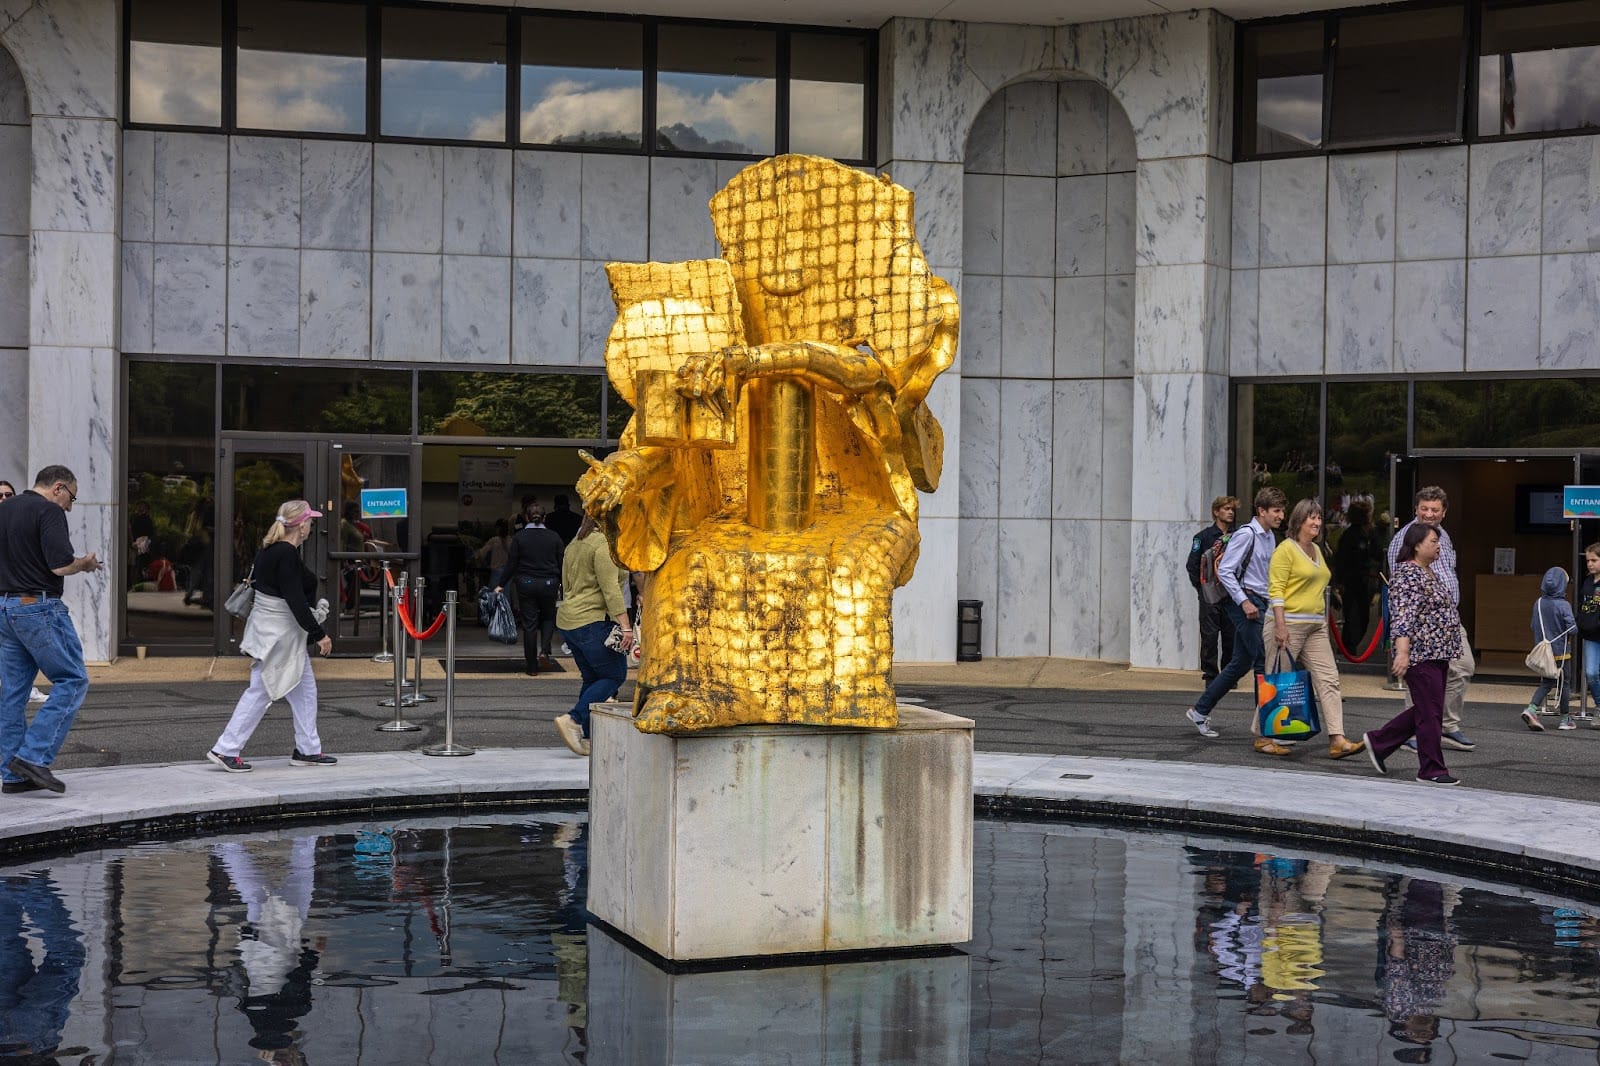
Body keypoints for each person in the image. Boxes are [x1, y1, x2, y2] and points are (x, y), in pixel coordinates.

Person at [207, 500, 337, 773]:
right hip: (280, 636)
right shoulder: (286, 554)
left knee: (304, 691)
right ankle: (226, 748)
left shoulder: (268, 551)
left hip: (273, 633)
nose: (311, 527)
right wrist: (319, 633)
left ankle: (308, 749)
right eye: (310, 522)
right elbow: (294, 600)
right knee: (261, 691)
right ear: (301, 525)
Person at [0, 465, 101, 796]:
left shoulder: (6, 508)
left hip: (5, 609)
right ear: (58, 487)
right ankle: (32, 758)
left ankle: (12, 775)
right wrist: (84, 563)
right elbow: (60, 565)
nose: (70, 506)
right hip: (38, 607)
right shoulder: (48, 511)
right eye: (71, 497)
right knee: (72, 680)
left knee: (13, 693)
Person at [1183, 486, 1286, 742]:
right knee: (1262, 661)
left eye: (1283, 511)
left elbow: (1266, 576)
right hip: (1246, 603)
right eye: (1276, 511)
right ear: (1261, 511)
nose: (1281, 515)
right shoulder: (1246, 534)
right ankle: (1266, 728)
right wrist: (1244, 603)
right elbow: (1226, 571)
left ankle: (1200, 710)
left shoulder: (1269, 536)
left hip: (1259, 601)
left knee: (1240, 663)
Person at [1363, 523, 1463, 785]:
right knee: (1430, 714)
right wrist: (1402, 652)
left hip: (1438, 653)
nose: (1438, 545)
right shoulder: (1408, 573)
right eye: (1433, 541)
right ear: (1417, 544)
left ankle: (1379, 742)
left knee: (1426, 709)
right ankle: (1431, 769)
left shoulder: (1428, 572)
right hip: (1421, 655)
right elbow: (1403, 617)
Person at [1265, 498, 1365, 759]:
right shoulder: (1285, 549)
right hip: (1288, 624)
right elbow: (1275, 589)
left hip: (1315, 625)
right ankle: (1266, 736)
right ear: (1299, 520)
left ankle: (1337, 739)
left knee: (1329, 678)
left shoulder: (1316, 550)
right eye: (1313, 518)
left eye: (1320, 518)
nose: (1318, 523)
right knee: (1278, 680)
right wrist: (1280, 625)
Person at [1386, 487, 1475, 752]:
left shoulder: (1442, 536)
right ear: (1416, 509)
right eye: (1424, 508)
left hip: (1448, 620)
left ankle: (1444, 725)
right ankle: (1416, 730)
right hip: (1423, 623)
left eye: (1434, 510)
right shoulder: (1406, 537)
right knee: (1421, 679)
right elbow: (1400, 585)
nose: (1428, 514)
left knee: (1463, 667)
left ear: (1444, 512)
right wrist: (1403, 638)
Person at [553, 514, 634, 756]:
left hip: (568, 620)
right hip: (591, 621)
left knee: (591, 679)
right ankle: (574, 719)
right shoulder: (603, 547)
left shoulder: (575, 542)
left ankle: (586, 737)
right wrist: (626, 627)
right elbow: (611, 591)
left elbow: (567, 583)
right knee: (614, 675)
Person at [495, 504, 566, 675]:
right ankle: (545, 651)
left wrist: (501, 584)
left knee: (529, 625)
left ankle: (532, 667)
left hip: (526, 582)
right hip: (549, 582)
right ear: (545, 518)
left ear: (526, 518)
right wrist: (566, 584)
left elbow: (512, 563)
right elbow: (562, 562)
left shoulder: (520, 537)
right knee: (548, 618)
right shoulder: (554, 537)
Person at [0, 483, 48, 707]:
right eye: (0, 495)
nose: (4, 498)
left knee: (19, 647)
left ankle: (22, 689)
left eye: (8, 494)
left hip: (14, 597)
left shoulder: (19, 524)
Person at [1186, 495, 1238, 683]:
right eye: (1226, 508)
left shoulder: (1238, 537)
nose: (1230, 512)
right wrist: (1202, 588)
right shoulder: (1203, 537)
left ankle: (1228, 675)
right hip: (1210, 594)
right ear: (1216, 512)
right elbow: (1192, 565)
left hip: (1231, 593)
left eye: (1232, 509)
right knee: (1209, 635)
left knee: (1230, 635)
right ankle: (1211, 675)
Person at [1521, 566, 1578, 732]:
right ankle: (1565, 719)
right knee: (1564, 684)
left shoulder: (1538, 603)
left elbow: (1533, 625)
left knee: (1546, 682)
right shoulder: (1564, 605)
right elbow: (1573, 629)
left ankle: (1531, 709)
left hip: (1544, 652)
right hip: (1561, 652)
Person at [1332, 498, 1380, 652]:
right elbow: (1343, 559)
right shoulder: (1353, 535)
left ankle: (1349, 645)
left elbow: (1376, 553)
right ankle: (1348, 646)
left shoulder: (1366, 534)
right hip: (1353, 580)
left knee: (1358, 615)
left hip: (1359, 581)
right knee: (1355, 615)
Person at [1575, 542, 1600, 724]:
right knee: (1591, 673)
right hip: (1591, 635)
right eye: (1588, 560)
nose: (1590, 564)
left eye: (1594, 560)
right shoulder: (1587, 581)